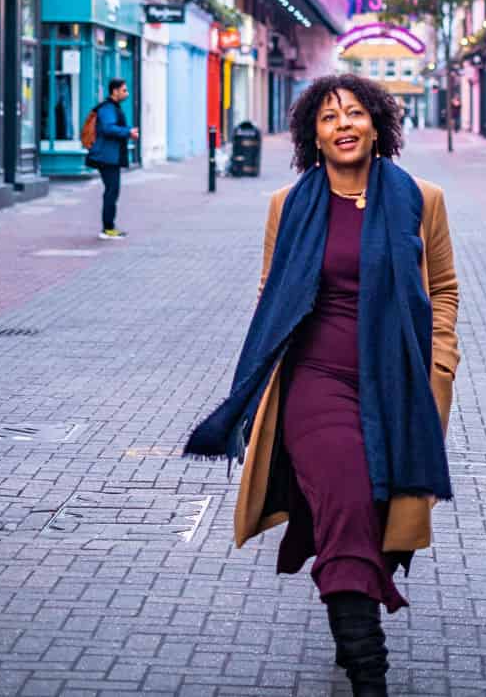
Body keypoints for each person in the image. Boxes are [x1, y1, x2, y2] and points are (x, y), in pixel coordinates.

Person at [184, 74, 460, 696]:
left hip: (396, 380)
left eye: (356, 113)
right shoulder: (289, 205)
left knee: (368, 512)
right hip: (315, 379)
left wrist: (439, 364)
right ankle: (370, 670)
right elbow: (270, 292)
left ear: (377, 124)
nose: (343, 124)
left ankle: (347, 613)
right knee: (344, 495)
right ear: (313, 133)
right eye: (329, 116)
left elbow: (442, 288)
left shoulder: (422, 198)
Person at [87, 78, 138, 239]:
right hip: (106, 157)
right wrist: (128, 132)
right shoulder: (107, 108)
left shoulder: (112, 107)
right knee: (112, 191)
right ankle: (108, 228)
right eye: (124, 90)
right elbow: (108, 128)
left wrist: (128, 131)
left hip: (111, 156)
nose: (127, 93)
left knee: (112, 190)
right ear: (114, 91)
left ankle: (108, 227)